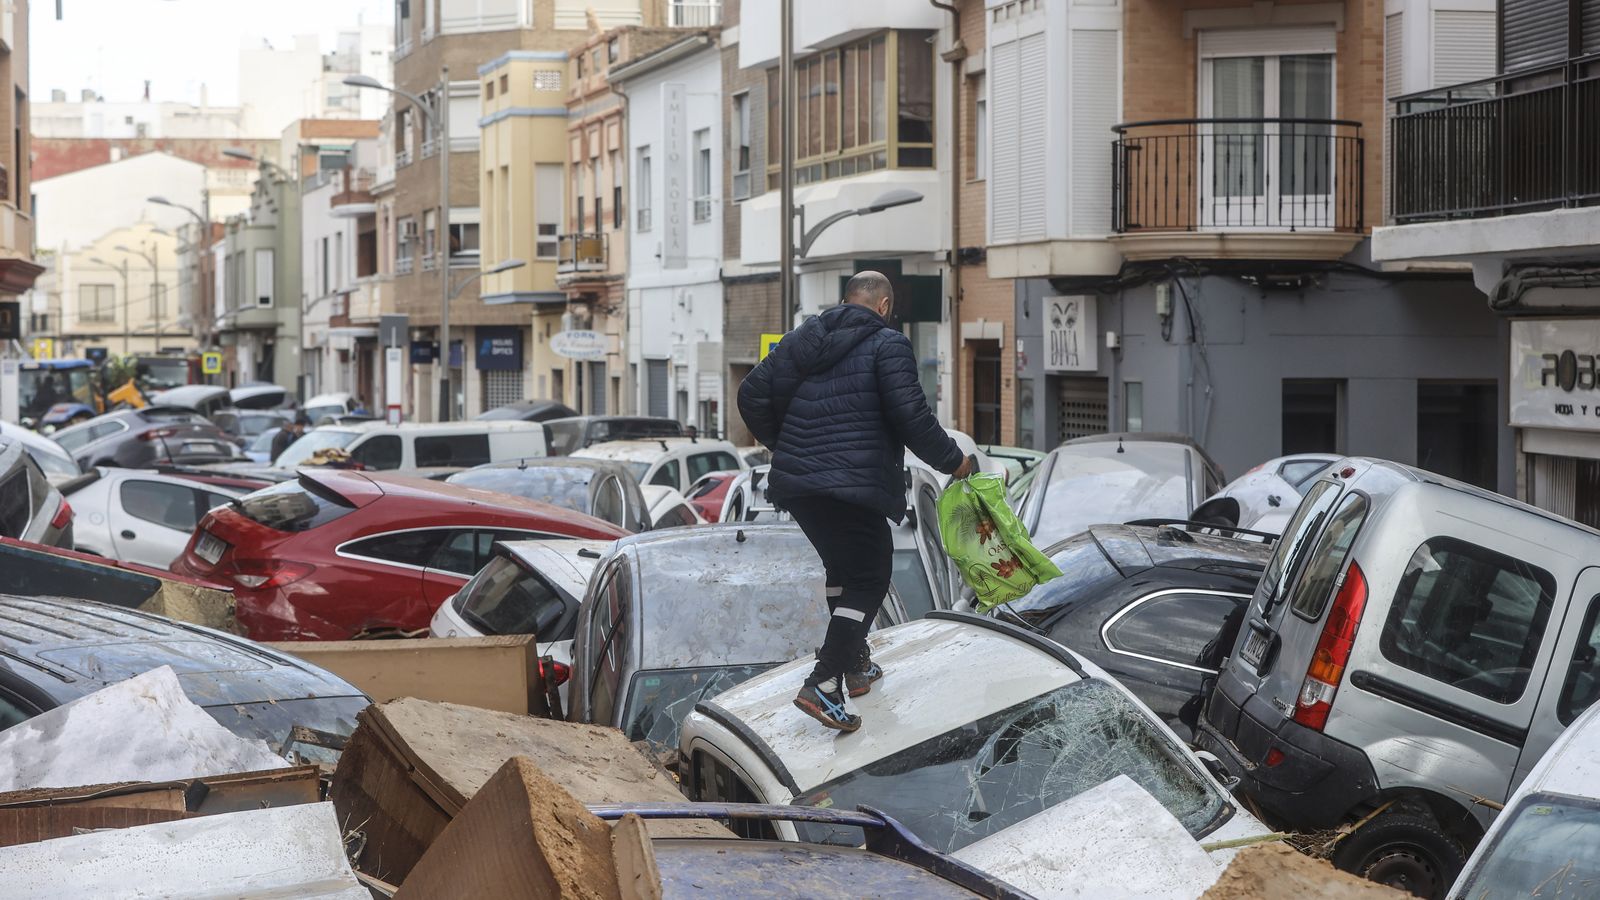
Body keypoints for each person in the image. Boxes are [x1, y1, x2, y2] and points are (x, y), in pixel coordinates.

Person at [738, 271, 972, 733]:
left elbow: (751, 394)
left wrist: (788, 446)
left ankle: (855, 664)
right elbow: (912, 416)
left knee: (843, 571)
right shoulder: (889, 344)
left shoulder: (803, 339)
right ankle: (824, 683)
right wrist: (955, 461)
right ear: (883, 306)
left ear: (846, 300)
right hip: (853, 484)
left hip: (799, 485)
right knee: (870, 575)